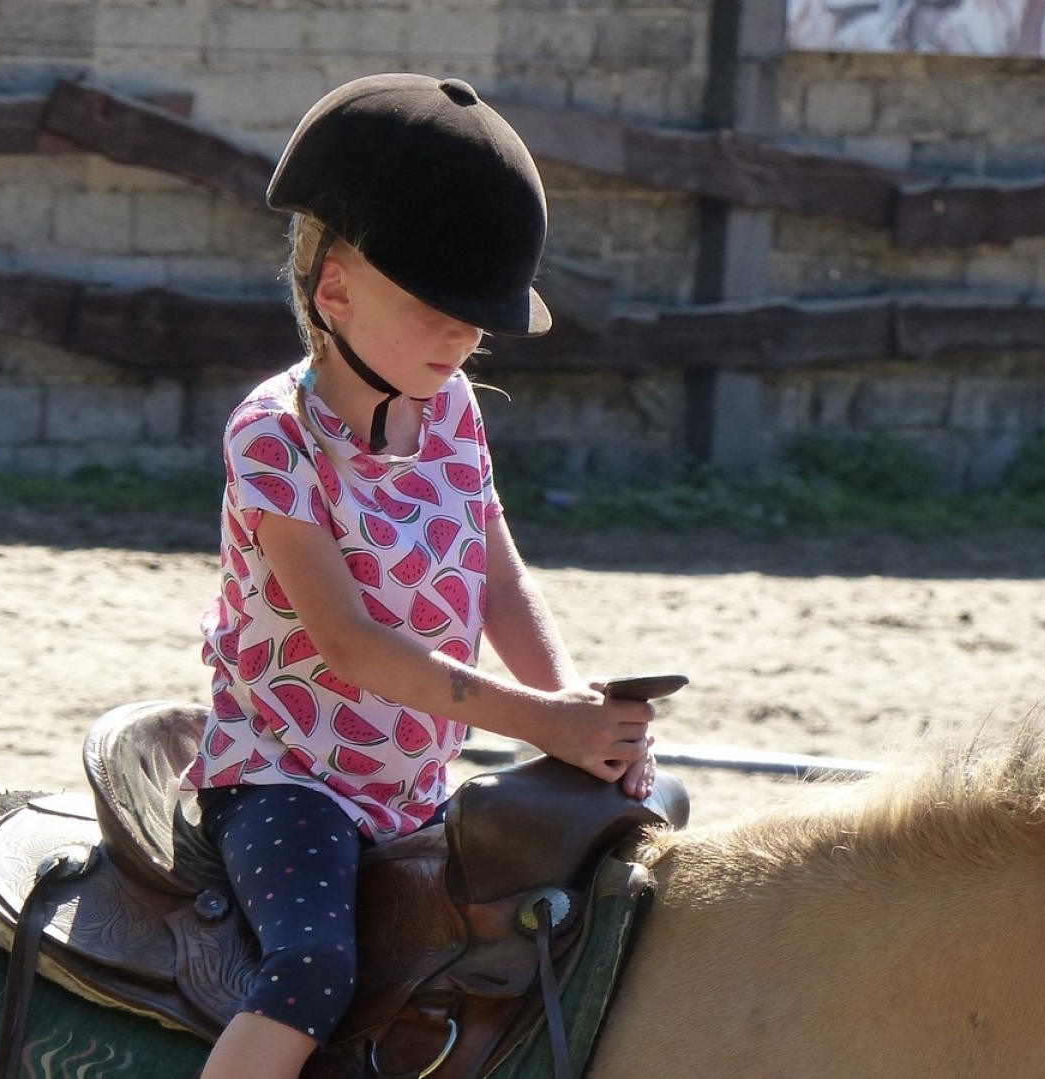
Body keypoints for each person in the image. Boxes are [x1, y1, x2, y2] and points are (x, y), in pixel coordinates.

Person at [184, 72, 658, 1079]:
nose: (468, 335)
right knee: (313, 967)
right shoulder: (274, 437)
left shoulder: (453, 413)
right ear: (336, 288)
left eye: (476, 313)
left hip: (409, 783)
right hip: (287, 774)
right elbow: (351, 644)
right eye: (439, 306)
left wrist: (576, 709)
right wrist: (539, 724)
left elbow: (497, 577)